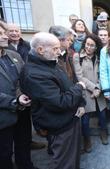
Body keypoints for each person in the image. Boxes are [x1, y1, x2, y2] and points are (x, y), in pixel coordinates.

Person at [20, 32, 86, 169]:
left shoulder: (48, 63)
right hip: (60, 127)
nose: (59, 51)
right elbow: (60, 102)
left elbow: (67, 84)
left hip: (69, 120)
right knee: (64, 163)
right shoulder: (34, 74)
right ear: (40, 50)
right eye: (55, 48)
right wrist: (79, 88)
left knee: (72, 160)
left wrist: (80, 102)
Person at [0, 21, 37, 169]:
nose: (5, 37)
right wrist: (14, 100)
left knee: (24, 144)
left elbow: (23, 79)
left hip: (22, 110)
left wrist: (22, 95)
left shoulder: (14, 55)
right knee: (4, 153)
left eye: (4, 33)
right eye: (1, 34)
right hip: (3, 116)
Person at [7, 23, 47, 150]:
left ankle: (28, 141)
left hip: (27, 85)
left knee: (26, 118)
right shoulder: (5, 47)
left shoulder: (27, 45)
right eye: (11, 31)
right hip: (11, 90)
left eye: (17, 30)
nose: (14, 33)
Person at [73, 34, 108, 150]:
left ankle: (104, 133)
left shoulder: (99, 57)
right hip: (86, 92)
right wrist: (94, 88)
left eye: (92, 45)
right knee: (85, 120)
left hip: (99, 91)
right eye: (87, 44)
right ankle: (86, 139)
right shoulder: (78, 56)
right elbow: (80, 77)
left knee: (102, 115)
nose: (89, 47)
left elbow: (102, 74)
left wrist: (99, 88)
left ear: (96, 47)